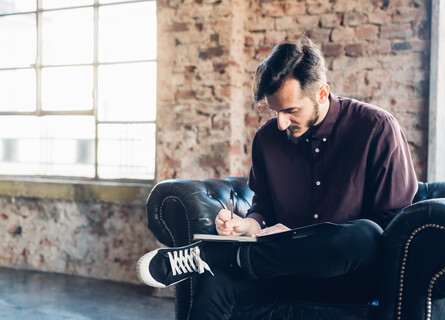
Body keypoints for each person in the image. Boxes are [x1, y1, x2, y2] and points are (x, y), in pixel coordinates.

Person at [137, 36, 418, 319]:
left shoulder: (377, 128)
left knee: (367, 235)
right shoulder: (268, 138)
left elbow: (392, 227)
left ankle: (212, 254)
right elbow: (265, 208)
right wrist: (248, 224)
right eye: (275, 111)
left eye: (291, 110)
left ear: (322, 93)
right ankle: (219, 257)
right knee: (216, 283)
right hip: (280, 271)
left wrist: (305, 239)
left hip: (349, 277)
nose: (281, 122)